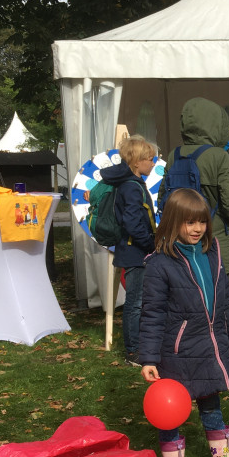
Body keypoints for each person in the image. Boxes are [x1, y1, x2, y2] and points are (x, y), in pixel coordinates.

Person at [138, 188, 229, 457]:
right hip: (177, 351)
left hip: (210, 347)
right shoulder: (160, 264)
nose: (197, 229)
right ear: (173, 223)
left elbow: (225, 300)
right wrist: (148, 358)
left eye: (201, 221)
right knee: (171, 411)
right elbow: (152, 313)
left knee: (211, 404)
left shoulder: (212, 252)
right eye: (189, 223)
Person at [159, 97, 229, 274]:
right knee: (219, 295)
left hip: (181, 239)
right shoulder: (219, 156)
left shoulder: (175, 154)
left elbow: (162, 199)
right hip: (215, 238)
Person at [99, 134, 157, 366]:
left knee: (139, 301)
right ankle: (133, 352)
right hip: (136, 253)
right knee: (135, 303)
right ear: (136, 162)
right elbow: (133, 224)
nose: (153, 164)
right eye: (150, 159)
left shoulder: (132, 185)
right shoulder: (132, 188)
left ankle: (140, 347)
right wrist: (152, 245)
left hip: (135, 251)